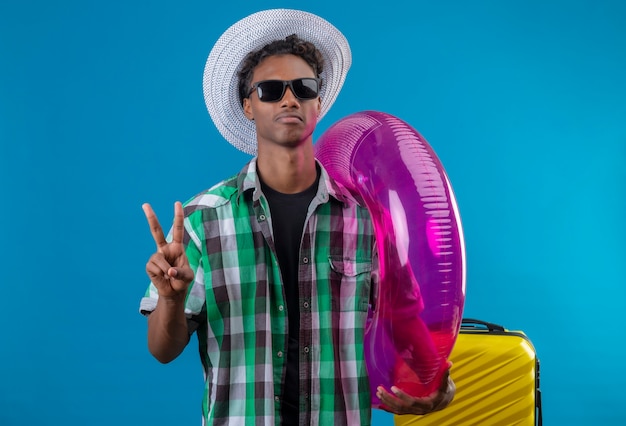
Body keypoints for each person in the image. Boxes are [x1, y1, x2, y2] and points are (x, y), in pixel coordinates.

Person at [139, 9, 455, 425]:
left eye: (303, 88)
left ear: (318, 103)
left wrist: (439, 384)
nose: (289, 99)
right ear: (248, 106)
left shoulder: (368, 223)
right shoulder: (203, 221)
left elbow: (410, 330)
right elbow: (163, 350)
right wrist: (172, 299)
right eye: (270, 90)